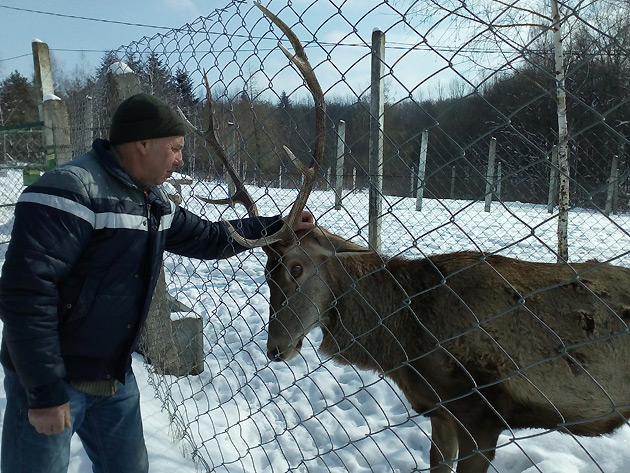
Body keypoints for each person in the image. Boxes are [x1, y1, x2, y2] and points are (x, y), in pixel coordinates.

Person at [0, 93, 314, 473]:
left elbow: (210, 237)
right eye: (175, 148)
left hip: (112, 375)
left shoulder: (152, 202)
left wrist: (278, 226)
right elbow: (26, 296)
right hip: (55, 377)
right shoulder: (69, 191)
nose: (181, 159)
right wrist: (44, 392)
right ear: (142, 144)